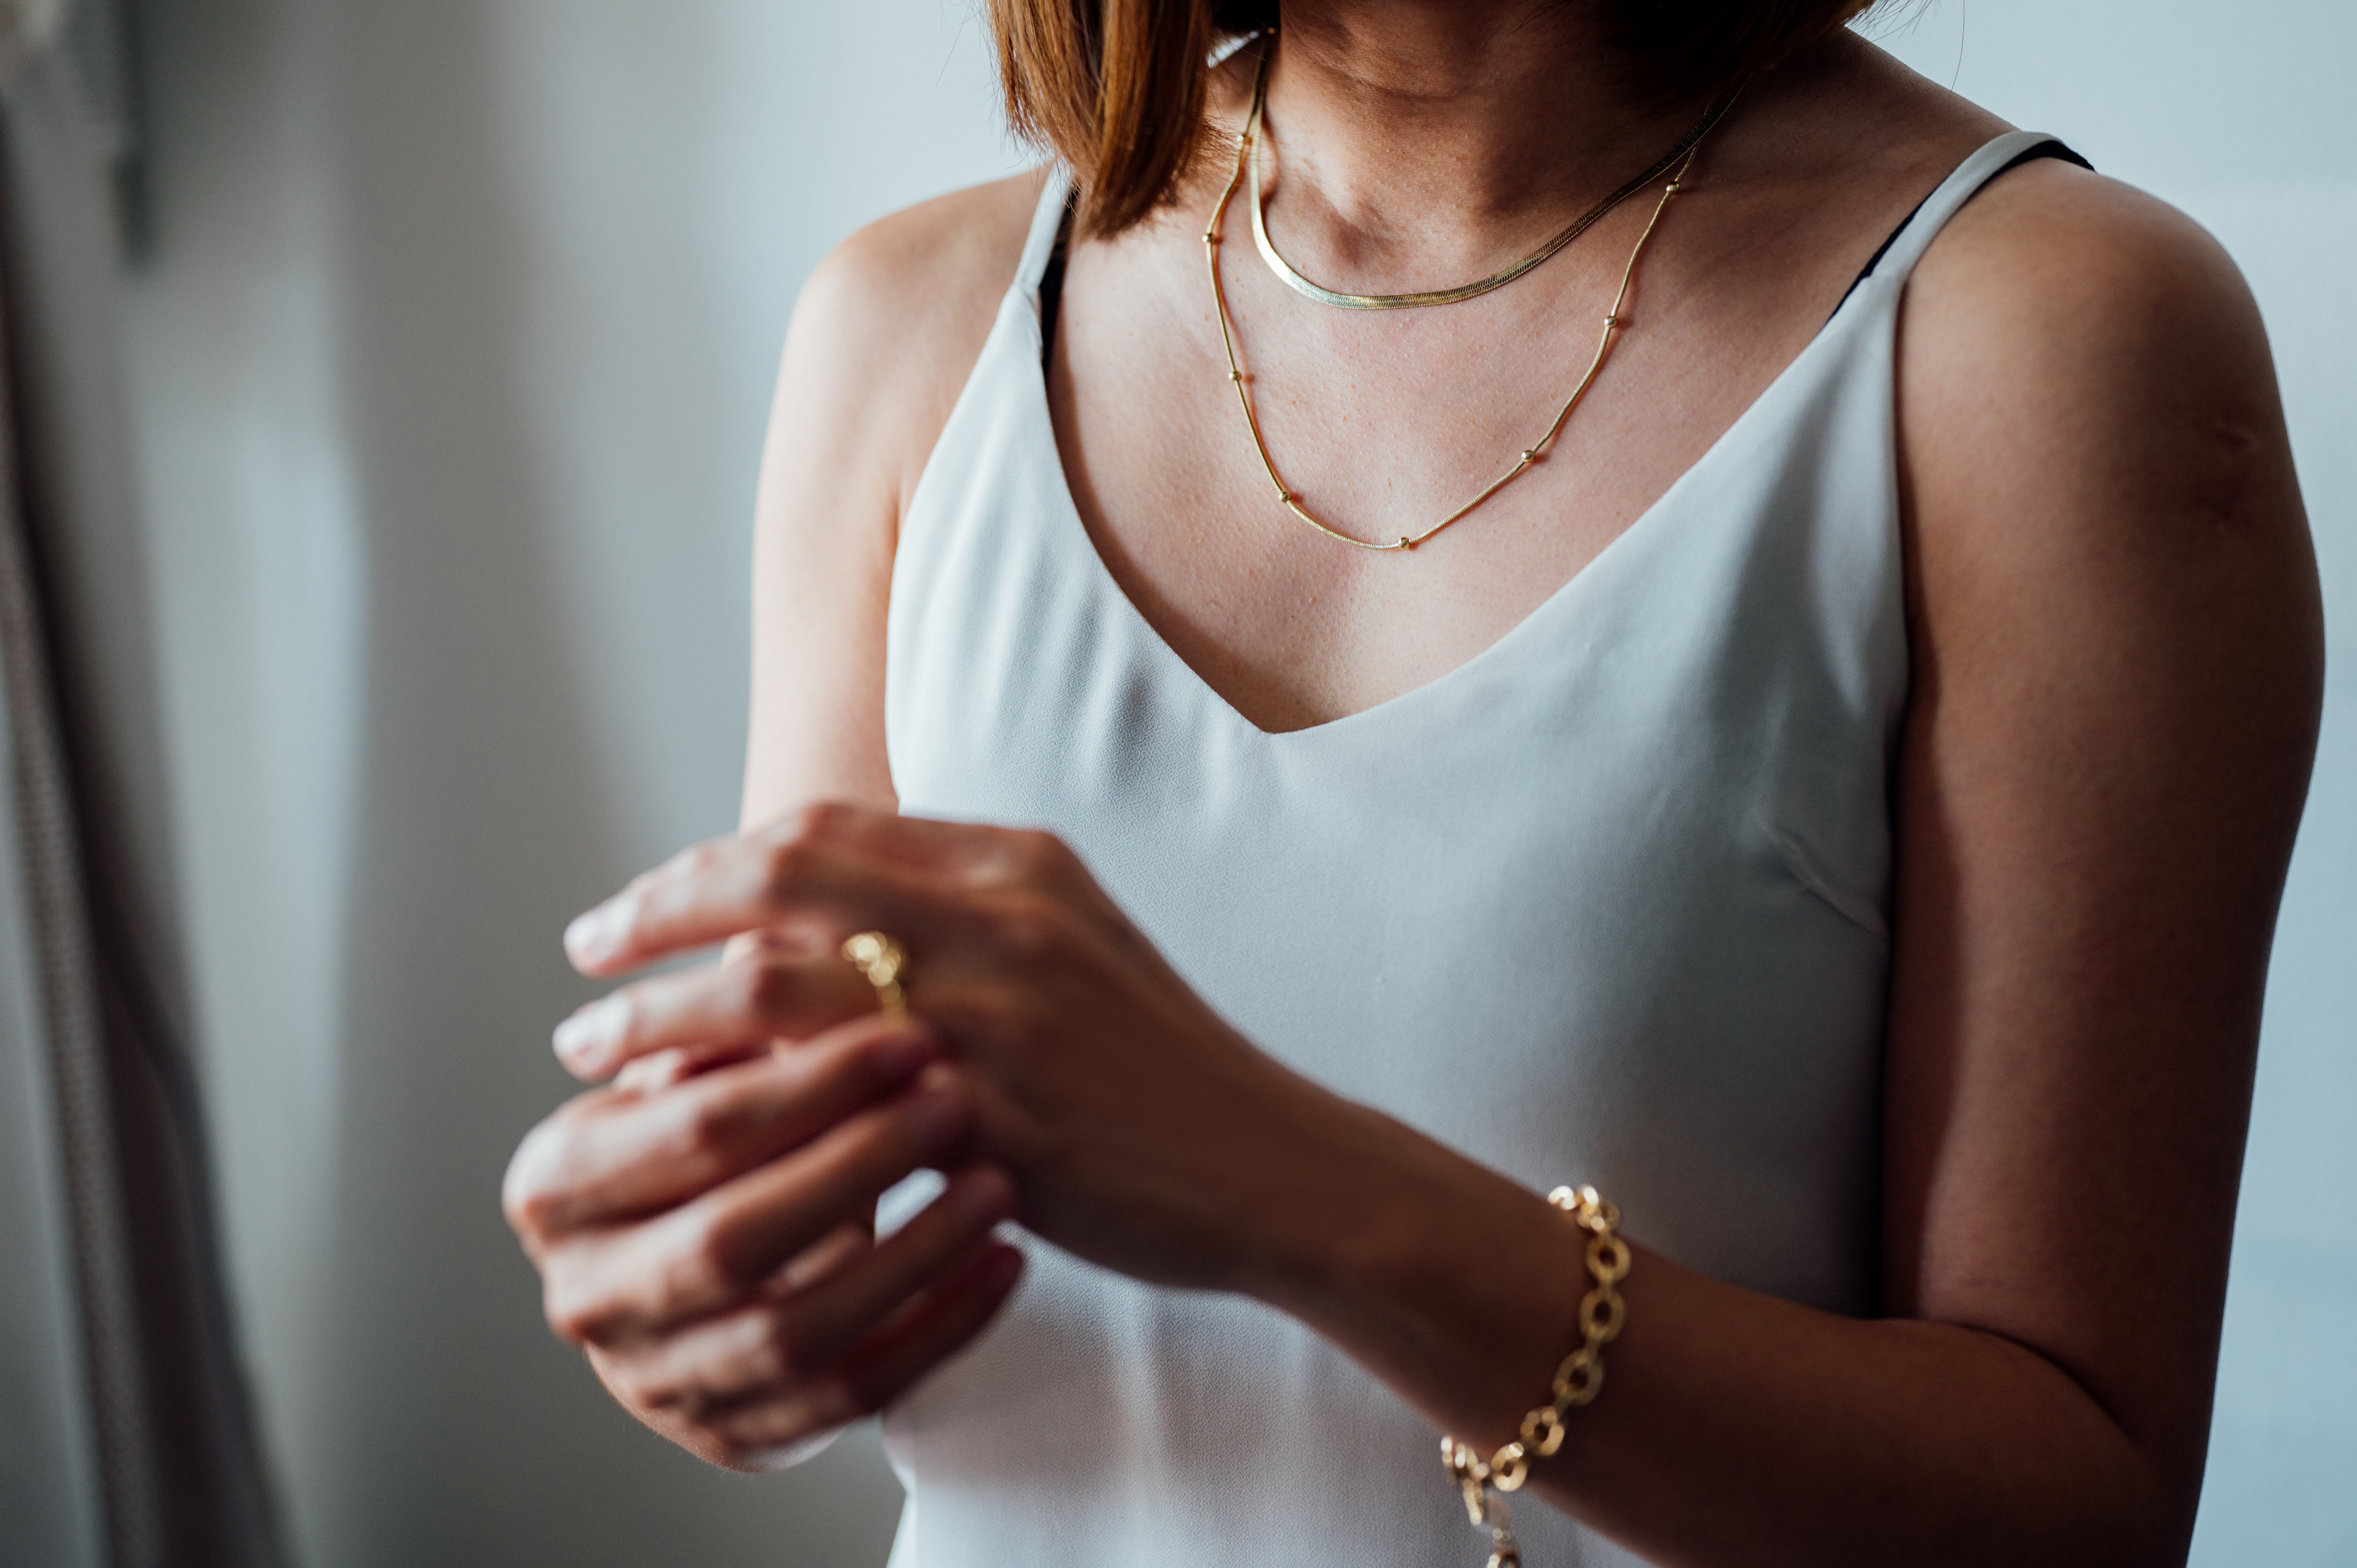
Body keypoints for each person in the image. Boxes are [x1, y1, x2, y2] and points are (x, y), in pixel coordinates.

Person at [501, 2, 2323, 1563]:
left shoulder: (2046, 337)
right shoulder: (912, 326)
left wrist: (1297, 1193)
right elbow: (798, 1228)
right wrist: (703, 1308)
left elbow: (2080, 1507)